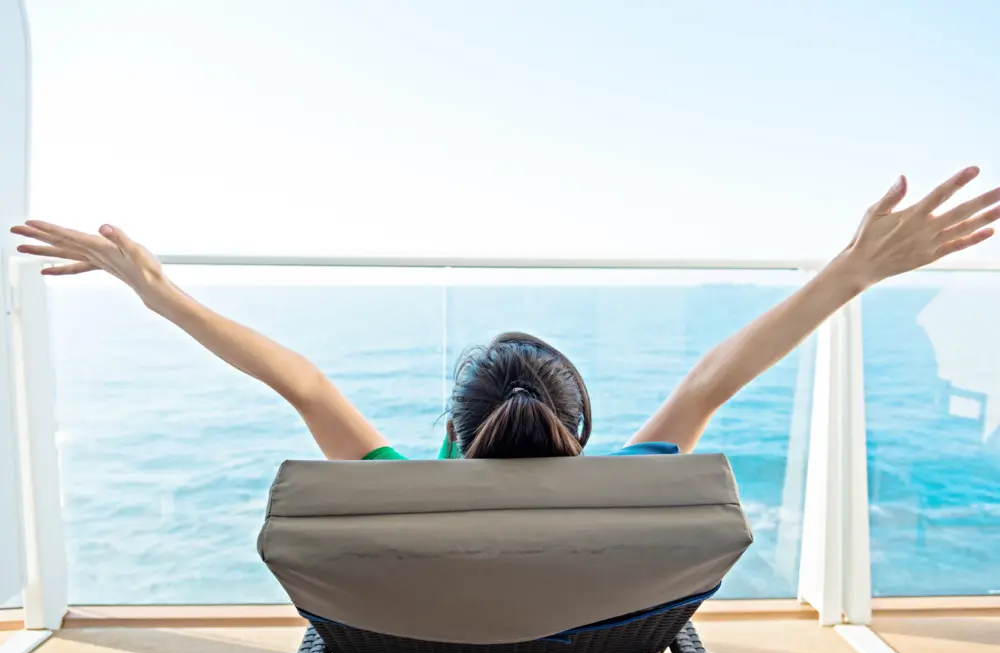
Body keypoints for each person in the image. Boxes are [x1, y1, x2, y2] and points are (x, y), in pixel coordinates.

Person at [10, 167, 1000, 461]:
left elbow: (297, 378)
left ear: (449, 434)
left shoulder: (396, 490)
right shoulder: (627, 492)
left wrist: (154, 289)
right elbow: (715, 377)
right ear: (579, 433)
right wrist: (853, 274)